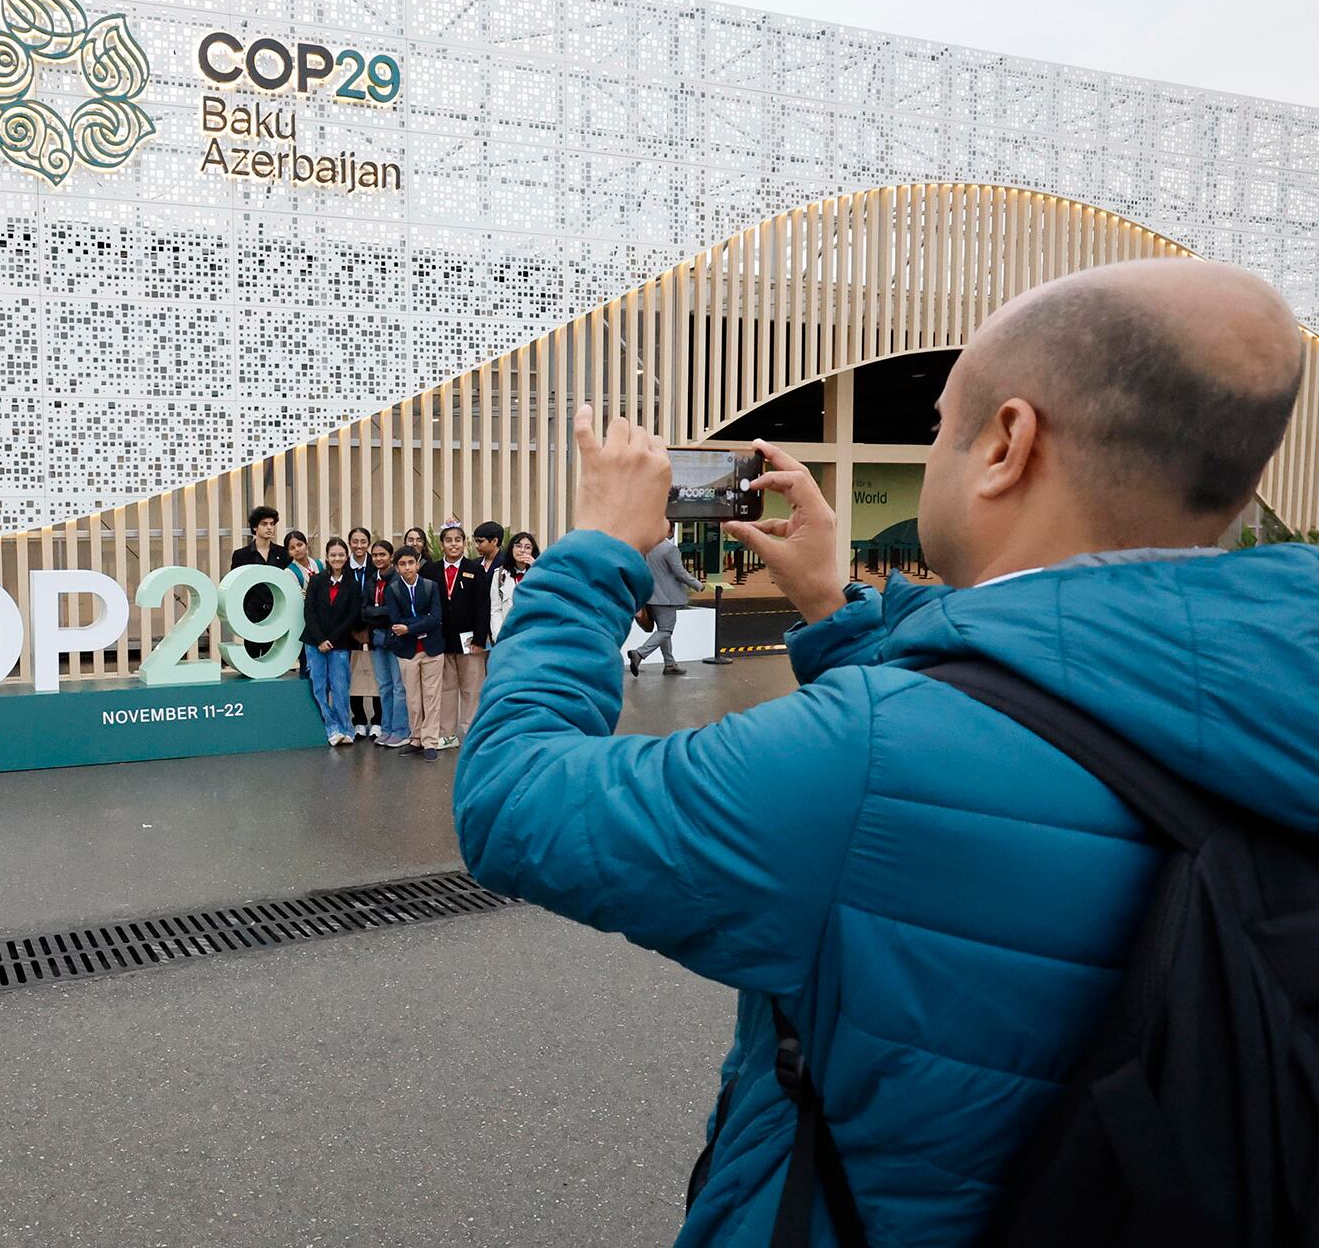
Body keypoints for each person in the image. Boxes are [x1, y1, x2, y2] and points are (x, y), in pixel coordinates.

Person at [455, 258, 1317, 1245]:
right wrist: (833, 610)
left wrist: (597, 552)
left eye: (941, 426)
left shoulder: (867, 758)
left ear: (1008, 444)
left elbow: (508, 795)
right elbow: (1015, 729)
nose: (936, 447)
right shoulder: (1276, 683)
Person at [421, 520, 489, 748]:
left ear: (464, 543)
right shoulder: (430, 570)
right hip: (441, 639)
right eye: (448, 540)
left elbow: (483, 606)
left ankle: (473, 734)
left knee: (472, 688)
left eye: (458, 540)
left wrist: (479, 639)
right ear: (441, 544)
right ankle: (447, 734)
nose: (453, 544)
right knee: (446, 689)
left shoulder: (475, 569)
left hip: (470, 641)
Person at [383, 546, 445, 760]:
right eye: (402, 564)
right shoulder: (392, 590)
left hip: (432, 649)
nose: (407, 567)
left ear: (418, 564)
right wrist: (421, 622)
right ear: (396, 567)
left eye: (411, 563)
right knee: (413, 697)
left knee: (431, 696)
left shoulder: (430, 586)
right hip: (407, 651)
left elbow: (435, 617)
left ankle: (430, 741)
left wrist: (409, 628)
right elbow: (395, 620)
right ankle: (416, 738)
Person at [300, 538, 361, 745]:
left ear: (347, 556)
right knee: (319, 687)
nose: (337, 558)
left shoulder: (353, 584)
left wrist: (331, 640)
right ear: (327, 557)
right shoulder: (316, 581)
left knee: (340, 687)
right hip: (314, 642)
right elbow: (309, 612)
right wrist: (320, 639)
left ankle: (346, 728)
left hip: (339, 644)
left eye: (341, 555)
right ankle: (331, 727)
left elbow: (352, 616)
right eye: (333, 555)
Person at [627, 520, 705, 677]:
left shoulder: (647, 548)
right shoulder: (670, 549)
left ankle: (669, 664)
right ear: (670, 530)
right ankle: (639, 653)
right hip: (666, 598)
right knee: (666, 630)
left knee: (663, 630)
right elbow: (680, 573)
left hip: (650, 596)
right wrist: (698, 584)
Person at [359, 540, 411, 748]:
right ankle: (387, 728)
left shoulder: (399, 580)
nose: (379, 558)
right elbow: (364, 611)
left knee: (399, 687)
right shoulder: (371, 580)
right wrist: (377, 613)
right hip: (377, 639)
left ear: (391, 557)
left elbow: (395, 611)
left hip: (395, 639)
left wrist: (375, 612)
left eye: (383, 554)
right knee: (384, 686)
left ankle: (401, 730)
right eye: (375, 555)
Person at [229, 506, 290, 660]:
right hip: (252, 613)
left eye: (272, 524)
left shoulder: (282, 553)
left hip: (277, 612)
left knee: (273, 657)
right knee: (252, 657)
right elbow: (235, 586)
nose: (269, 527)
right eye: (264, 524)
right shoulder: (241, 555)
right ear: (255, 527)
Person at [344, 528, 377, 735]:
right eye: (355, 541)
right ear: (349, 543)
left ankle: (378, 720)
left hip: (374, 629)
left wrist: (368, 629)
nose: (359, 546)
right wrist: (353, 630)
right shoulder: (343, 567)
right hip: (348, 631)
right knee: (354, 674)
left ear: (368, 543)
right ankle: (358, 719)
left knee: (376, 674)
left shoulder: (377, 564)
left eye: (363, 541)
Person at [489, 531, 540, 638]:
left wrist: (536, 568)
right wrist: (499, 636)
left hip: (533, 633)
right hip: (508, 633)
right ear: (511, 549)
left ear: (532, 551)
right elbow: (495, 609)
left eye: (527, 547)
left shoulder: (539, 573)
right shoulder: (500, 574)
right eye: (518, 546)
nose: (522, 550)